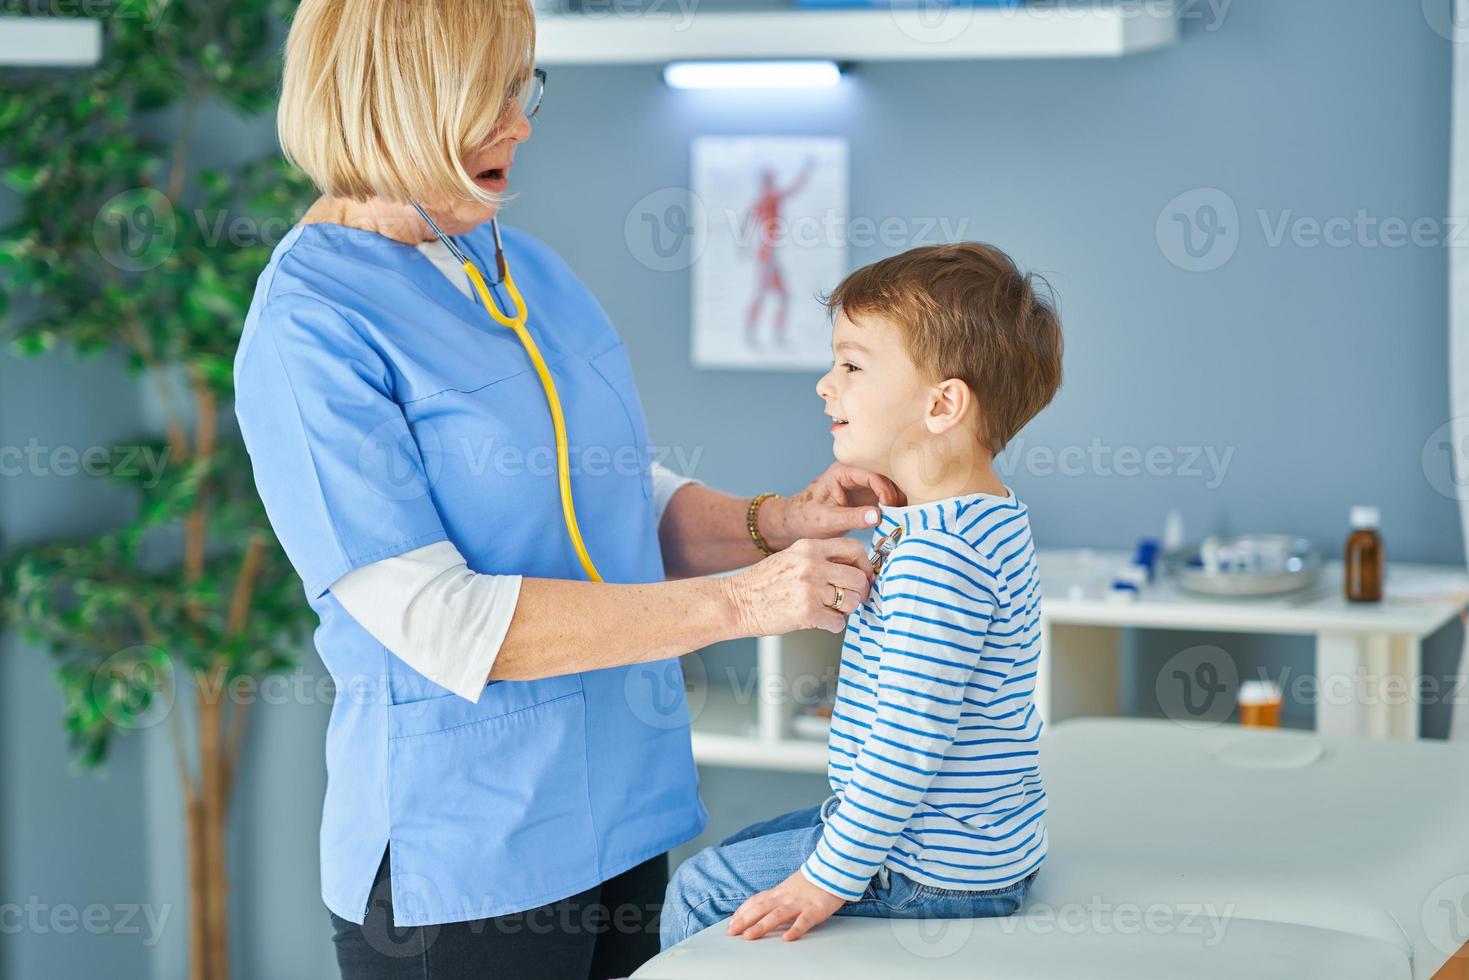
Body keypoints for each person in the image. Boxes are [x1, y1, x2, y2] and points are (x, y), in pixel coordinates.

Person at [233, 1, 902, 976]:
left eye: (523, 87)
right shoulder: (310, 327)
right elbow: (444, 621)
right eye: (489, 96)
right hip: (464, 860)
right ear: (397, 102)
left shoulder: (523, 267)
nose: (521, 124)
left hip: (621, 811)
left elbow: (612, 493)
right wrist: (743, 603)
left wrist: (774, 523)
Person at [661, 242, 1064, 947]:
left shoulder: (938, 558)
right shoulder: (976, 518)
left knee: (702, 889)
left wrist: (827, 880)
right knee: (749, 844)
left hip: (932, 865)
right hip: (978, 846)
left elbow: (905, 743)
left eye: (850, 365)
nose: (824, 384)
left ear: (942, 404)